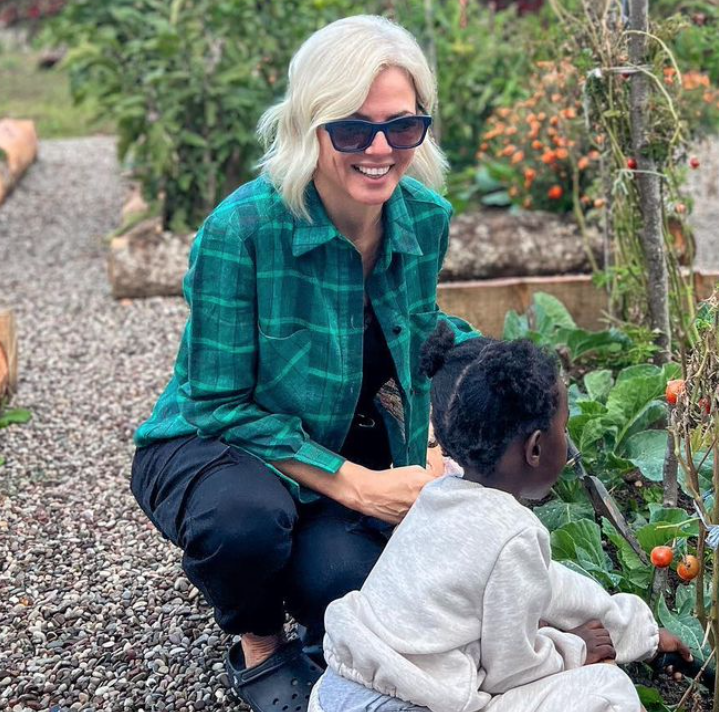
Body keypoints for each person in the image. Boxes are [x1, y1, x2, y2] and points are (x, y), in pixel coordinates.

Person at [129, 15, 476, 711]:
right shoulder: (242, 230)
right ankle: (258, 644)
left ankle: (301, 582)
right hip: (211, 439)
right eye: (353, 129)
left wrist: (442, 440)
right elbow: (218, 402)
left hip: (323, 436)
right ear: (310, 126)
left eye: (402, 127)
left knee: (342, 583)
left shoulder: (423, 217)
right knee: (244, 525)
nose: (380, 149)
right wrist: (357, 486)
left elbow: (420, 337)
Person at [309, 323, 694, 712]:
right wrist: (574, 649)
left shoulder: (436, 498)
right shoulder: (514, 535)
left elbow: (553, 586)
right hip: (404, 704)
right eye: (564, 428)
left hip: (334, 693)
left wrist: (643, 634)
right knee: (606, 688)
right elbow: (511, 672)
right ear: (536, 449)